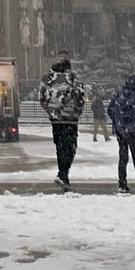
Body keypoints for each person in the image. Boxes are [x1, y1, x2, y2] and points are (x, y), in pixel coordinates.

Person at [38, 54, 87, 190]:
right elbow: (81, 97)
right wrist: (76, 111)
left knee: (60, 147)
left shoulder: (47, 80)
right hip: (70, 120)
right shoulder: (74, 79)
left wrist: (51, 111)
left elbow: (41, 98)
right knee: (70, 147)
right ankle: (63, 174)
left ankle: (62, 174)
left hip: (56, 120)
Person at [106, 73, 135, 192]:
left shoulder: (118, 94)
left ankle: (122, 182)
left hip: (120, 131)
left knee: (123, 156)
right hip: (131, 131)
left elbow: (110, 109)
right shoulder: (134, 97)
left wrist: (117, 122)